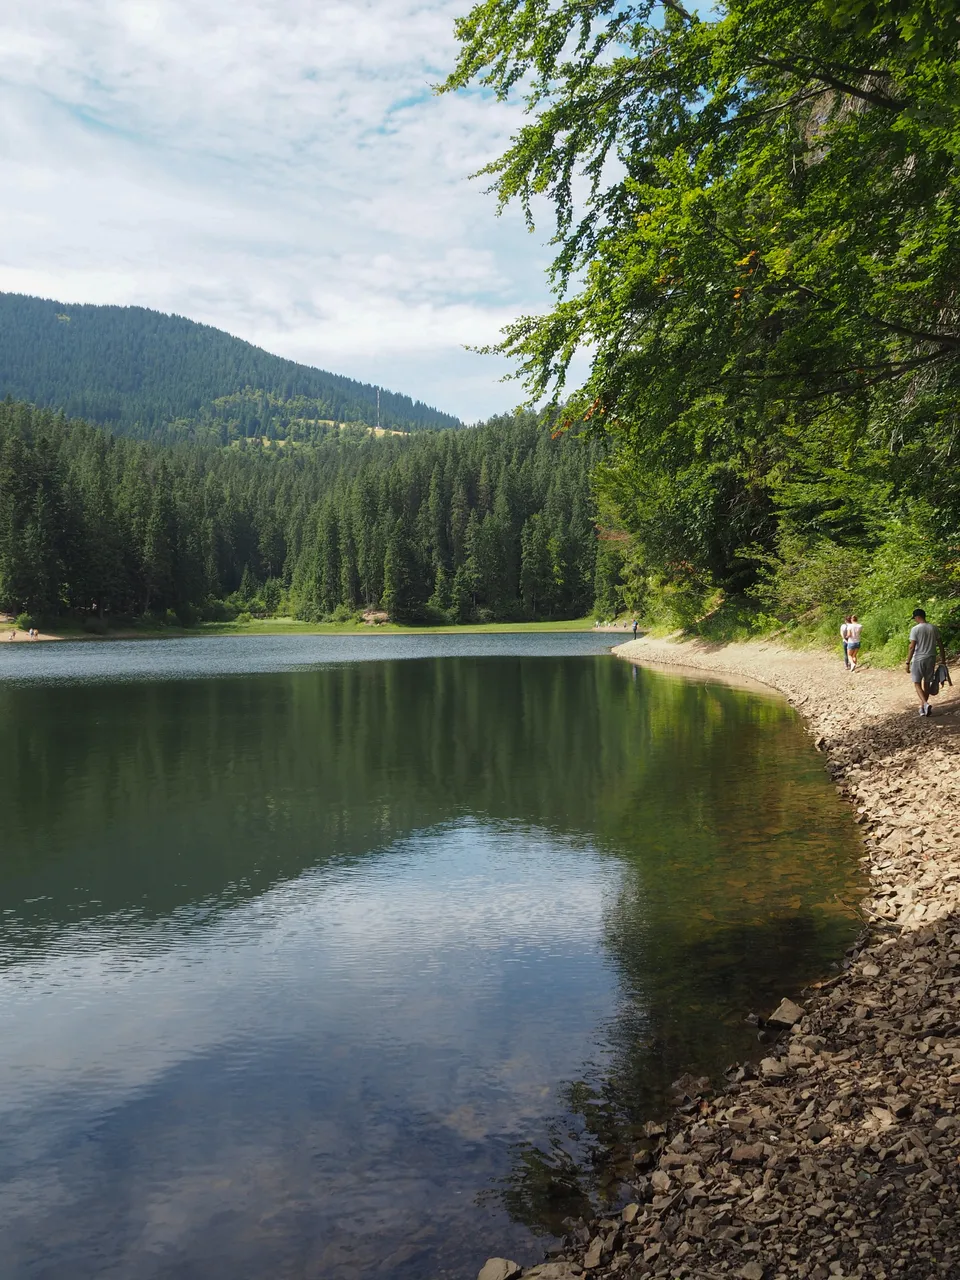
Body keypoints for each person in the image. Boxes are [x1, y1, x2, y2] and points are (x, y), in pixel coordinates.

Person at [906, 608, 946, 716]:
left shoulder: (915, 629)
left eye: (914, 618)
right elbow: (941, 645)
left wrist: (907, 662)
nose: (914, 620)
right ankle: (923, 708)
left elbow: (912, 647)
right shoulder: (934, 628)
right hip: (931, 658)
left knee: (917, 683)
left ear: (917, 617)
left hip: (919, 659)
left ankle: (925, 703)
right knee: (927, 683)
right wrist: (943, 659)